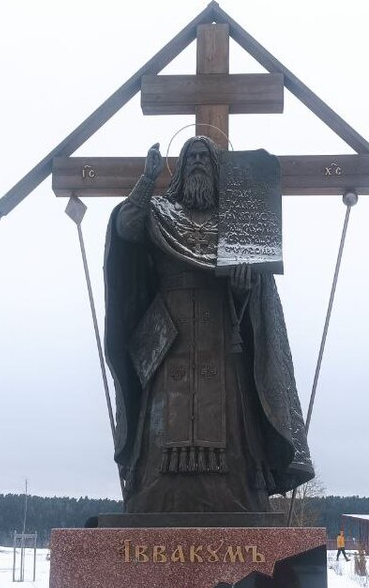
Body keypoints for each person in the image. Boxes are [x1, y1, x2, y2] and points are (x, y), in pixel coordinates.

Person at [103, 137, 314, 513]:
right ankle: (153, 498)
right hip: (169, 338)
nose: (199, 162)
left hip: (222, 336)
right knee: (163, 421)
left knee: (232, 418)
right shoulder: (158, 210)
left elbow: (252, 302)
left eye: (205, 157)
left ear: (217, 169)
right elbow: (126, 228)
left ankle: (237, 497)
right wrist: (148, 178)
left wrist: (240, 289)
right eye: (191, 157)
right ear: (181, 168)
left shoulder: (237, 222)